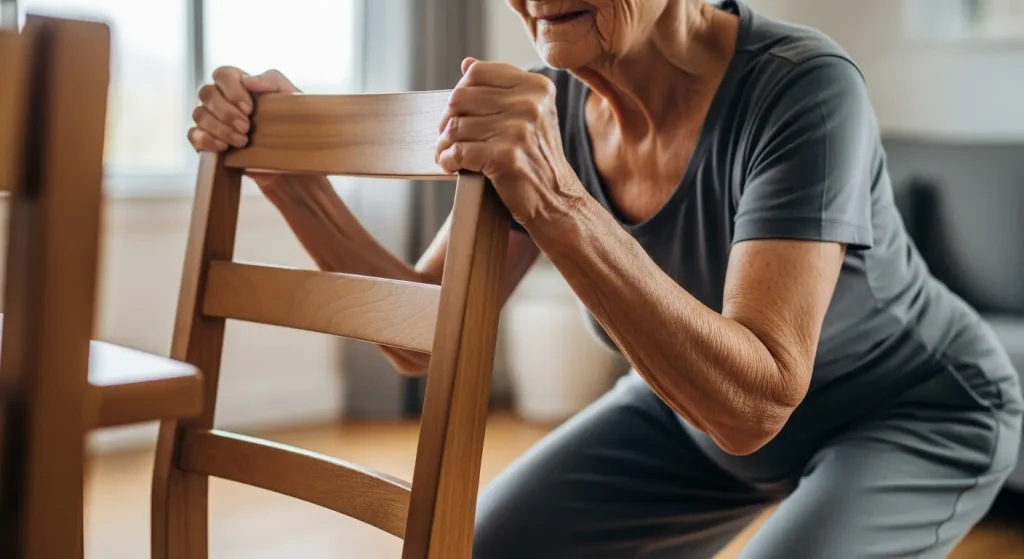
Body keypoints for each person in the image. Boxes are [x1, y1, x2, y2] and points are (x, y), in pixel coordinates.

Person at [188, 1, 1022, 556]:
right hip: (685, 414)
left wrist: (555, 197)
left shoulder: (802, 86)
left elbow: (753, 403)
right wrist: (294, 185)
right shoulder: (547, 111)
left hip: (912, 410)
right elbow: (422, 339)